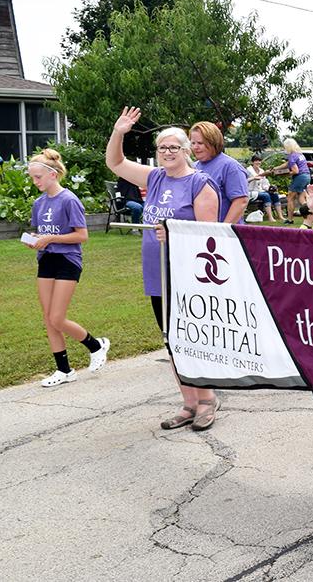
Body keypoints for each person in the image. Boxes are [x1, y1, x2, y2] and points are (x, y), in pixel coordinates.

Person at [106, 107, 222, 431]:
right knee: (171, 341)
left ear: (187, 151)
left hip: (189, 276)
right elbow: (115, 163)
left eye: (174, 147)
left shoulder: (200, 184)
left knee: (192, 340)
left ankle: (208, 400)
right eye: (162, 148)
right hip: (158, 275)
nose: (167, 152)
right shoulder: (155, 178)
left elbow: (209, 236)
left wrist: (174, 232)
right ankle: (189, 403)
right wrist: (120, 132)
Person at [24, 149, 110, 387]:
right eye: (32, 178)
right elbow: (45, 233)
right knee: (48, 318)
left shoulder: (70, 200)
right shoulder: (39, 203)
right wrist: (37, 239)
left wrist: (50, 239)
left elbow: (82, 236)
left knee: (57, 318)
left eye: (38, 177)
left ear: (53, 174)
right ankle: (64, 370)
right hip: (46, 260)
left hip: (67, 261)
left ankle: (96, 345)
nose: (35, 182)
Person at [189, 121, 249, 224]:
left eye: (200, 143)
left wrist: (222, 231)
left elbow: (241, 202)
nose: (195, 147)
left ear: (213, 142)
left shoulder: (230, 166)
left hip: (224, 235)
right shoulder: (192, 167)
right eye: (193, 143)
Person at [267, 138, 311, 224]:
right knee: (302, 199)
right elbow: (288, 164)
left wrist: (285, 174)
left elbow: (296, 171)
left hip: (300, 177)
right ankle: (312, 217)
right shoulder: (299, 154)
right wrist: (277, 168)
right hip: (307, 176)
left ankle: (290, 220)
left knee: (290, 198)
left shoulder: (292, 156)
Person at [246, 154, 284, 222]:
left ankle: (280, 216)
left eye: (259, 161)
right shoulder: (248, 170)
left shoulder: (261, 170)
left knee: (274, 194)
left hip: (260, 191)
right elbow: (255, 177)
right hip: (251, 192)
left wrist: (269, 189)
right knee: (266, 195)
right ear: (252, 162)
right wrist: (264, 173)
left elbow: (264, 183)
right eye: (256, 161)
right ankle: (270, 217)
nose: (258, 162)